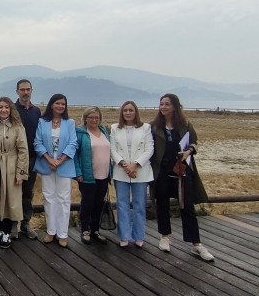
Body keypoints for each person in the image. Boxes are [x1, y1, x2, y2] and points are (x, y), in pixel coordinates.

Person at [151, 93, 214, 261]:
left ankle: (196, 244)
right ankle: (165, 237)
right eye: (161, 104)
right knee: (162, 203)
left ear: (175, 106)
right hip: (162, 172)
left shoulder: (185, 124)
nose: (163, 107)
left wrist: (189, 152)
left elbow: (194, 143)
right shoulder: (154, 126)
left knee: (187, 207)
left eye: (167, 104)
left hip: (182, 171)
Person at [0, 97, 29, 249]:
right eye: (0, 107)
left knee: (10, 199)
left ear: (11, 109)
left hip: (11, 166)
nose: (3, 110)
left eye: (6, 107)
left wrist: (21, 173)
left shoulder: (17, 127)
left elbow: (23, 151)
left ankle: (7, 232)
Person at [34, 94, 78, 247]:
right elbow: (37, 142)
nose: (60, 106)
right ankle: (51, 231)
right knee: (48, 197)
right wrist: (49, 159)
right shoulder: (42, 122)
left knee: (64, 199)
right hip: (47, 165)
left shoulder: (69, 123)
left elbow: (73, 143)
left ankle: (63, 234)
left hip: (63, 165)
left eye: (63, 104)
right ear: (51, 105)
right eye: (57, 103)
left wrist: (60, 160)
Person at [110, 101, 154, 247]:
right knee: (122, 205)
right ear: (122, 113)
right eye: (125, 110)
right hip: (121, 171)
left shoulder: (145, 127)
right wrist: (124, 165)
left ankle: (139, 236)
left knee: (139, 205)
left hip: (140, 171)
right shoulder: (115, 128)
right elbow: (113, 149)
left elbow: (149, 149)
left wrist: (135, 165)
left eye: (131, 110)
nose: (128, 113)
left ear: (136, 112)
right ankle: (124, 236)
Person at [74, 107, 112, 245]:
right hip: (88, 175)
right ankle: (85, 230)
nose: (94, 120)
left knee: (98, 204)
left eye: (96, 117)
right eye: (91, 117)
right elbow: (75, 155)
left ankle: (95, 230)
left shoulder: (104, 131)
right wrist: (78, 173)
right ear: (85, 118)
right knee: (87, 203)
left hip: (104, 174)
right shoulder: (81, 133)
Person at [13, 79, 41, 239]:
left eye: (28, 89)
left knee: (28, 193)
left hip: (31, 159)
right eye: (22, 89)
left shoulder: (36, 111)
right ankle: (12, 225)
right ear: (17, 91)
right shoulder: (12, 110)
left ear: (32, 91)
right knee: (13, 193)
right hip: (14, 159)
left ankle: (25, 224)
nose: (25, 92)